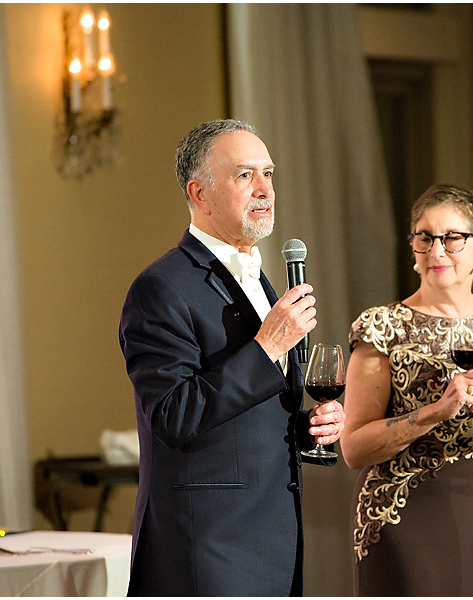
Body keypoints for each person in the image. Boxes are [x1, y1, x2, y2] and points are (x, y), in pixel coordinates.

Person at [118, 119, 345, 596]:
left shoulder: (256, 276)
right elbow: (174, 416)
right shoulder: (161, 288)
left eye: (269, 173)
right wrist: (268, 348)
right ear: (199, 193)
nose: (266, 189)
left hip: (271, 536)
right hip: (207, 549)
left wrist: (308, 427)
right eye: (246, 175)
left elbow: (242, 415)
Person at [341, 184, 473, 596]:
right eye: (424, 237)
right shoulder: (383, 328)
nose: (436, 251)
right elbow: (353, 448)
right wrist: (434, 412)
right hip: (405, 522)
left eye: (452, 238)